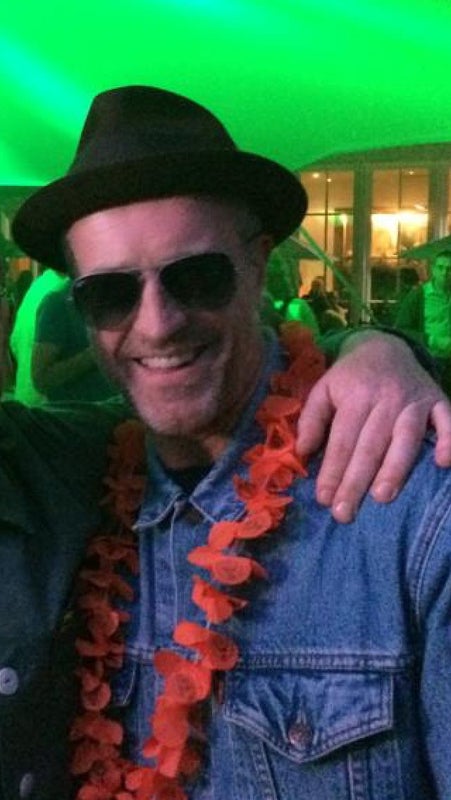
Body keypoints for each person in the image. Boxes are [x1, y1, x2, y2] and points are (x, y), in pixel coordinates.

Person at [5, 85, 451, 799]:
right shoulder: (71, 475)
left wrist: (379, 350)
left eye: (197, 276)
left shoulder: (410, 501)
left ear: (257, 265)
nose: (157, 324)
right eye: (110, 293)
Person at [32, 279, 117, 402]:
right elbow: (41, 378)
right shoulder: (59, 302)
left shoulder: (116, 299)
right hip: (77, 410)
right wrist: (95, 353)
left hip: (118, 409)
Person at [395, 250, 451, 394]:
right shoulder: (419, 296)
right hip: (429, 362)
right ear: (433, 269)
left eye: (449, 269)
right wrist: (431, 340)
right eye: (441, 268)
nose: (445, 273)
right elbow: (401, 329)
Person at [8, 265, 66, 403]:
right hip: (49, 406)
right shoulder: (62, 293)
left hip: (24, 399)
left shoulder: (37, 287)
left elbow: (14, 343)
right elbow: (43, 374)